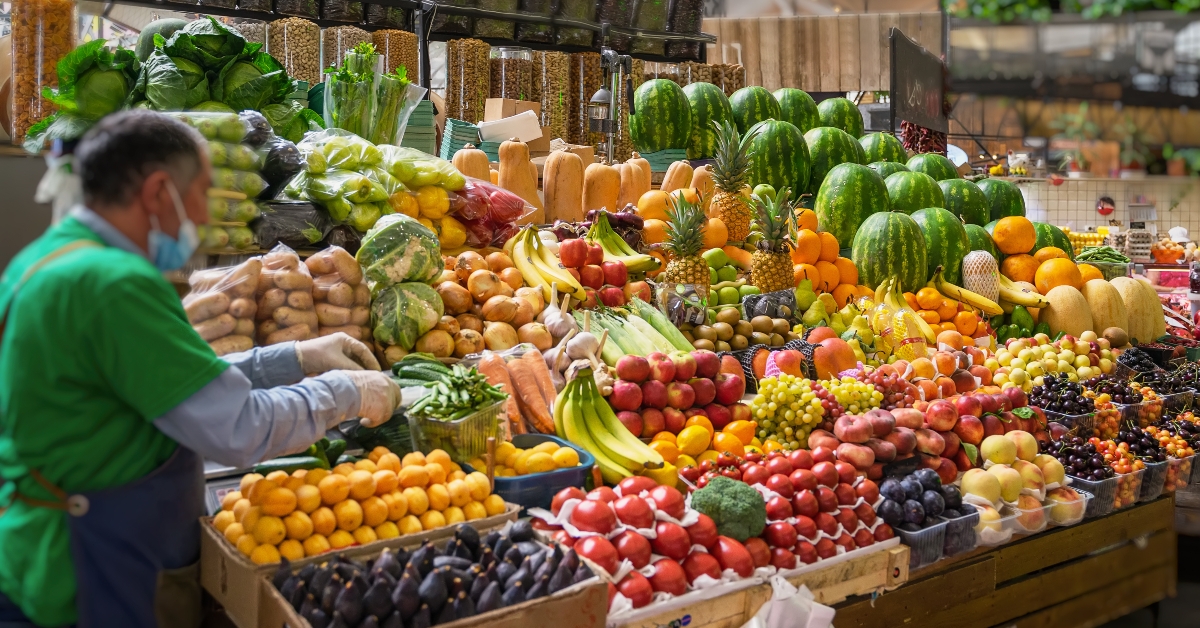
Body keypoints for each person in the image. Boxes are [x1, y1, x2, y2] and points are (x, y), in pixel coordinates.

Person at [0, 110, 401, 628]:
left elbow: (165, 381)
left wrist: (294, 358)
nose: (204, 218)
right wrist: (346, 392)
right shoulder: (114, 284)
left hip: (39, 545)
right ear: (160, 191)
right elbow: (237, 427)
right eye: (201, 197)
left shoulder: (48, 259)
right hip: (87, 573)